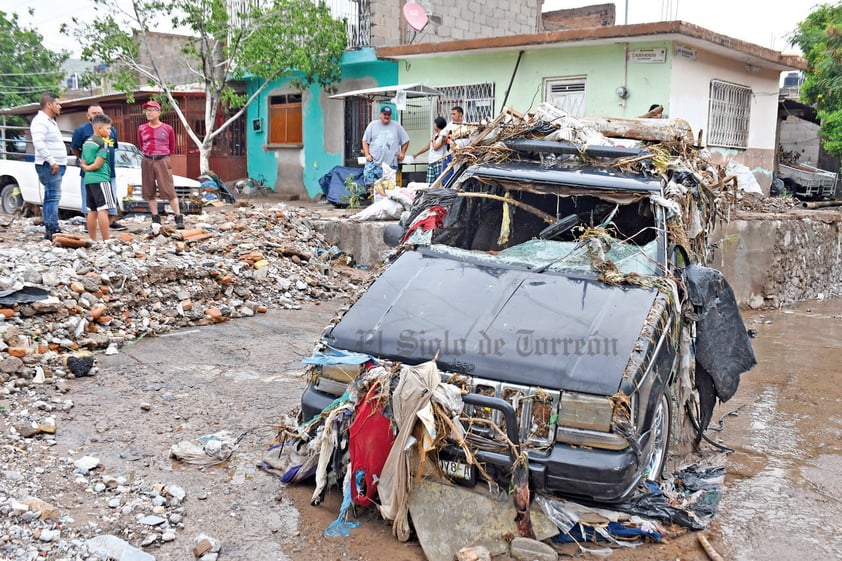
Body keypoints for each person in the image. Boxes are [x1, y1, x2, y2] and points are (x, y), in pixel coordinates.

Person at [71, 105, 126, 231]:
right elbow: (74, 148)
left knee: (110, 199)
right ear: (88, 115)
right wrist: (85, 162)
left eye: (99, 112)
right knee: (90, 202)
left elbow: (113, 147)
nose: (96, 115)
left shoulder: (111, 130)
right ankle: (91, 226)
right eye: (93, 113)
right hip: (91, 173)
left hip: (109, 171)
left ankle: (110, 223)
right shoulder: (82, 131)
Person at [137, 100, 183, 229]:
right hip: (147, 160)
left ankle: (178, 217)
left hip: (162, 159)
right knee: (149, 190)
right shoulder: (141, 128)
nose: (149, 113)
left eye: (152, 110)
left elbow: (172, 146)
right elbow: (141, 144)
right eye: (147, 111)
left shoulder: (167, 128)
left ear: (159, 112)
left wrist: (164, 157)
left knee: (168, 189)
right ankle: (155, 218)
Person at [30, 92, 67, 240]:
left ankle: (51, 227)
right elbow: (39, 143)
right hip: (49, 165)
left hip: (55, 164)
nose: (60, 106)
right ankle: (52, 229)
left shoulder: (50, 121)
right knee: (53, 197)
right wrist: (52, 161)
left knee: (50, 197)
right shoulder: (40, 121)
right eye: (57, 103)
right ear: (49, 104)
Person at [80, 113, 117, 241]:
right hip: (101, 178)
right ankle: (106, 240)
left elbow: (83, 162)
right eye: (108, 128)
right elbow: (97, 164)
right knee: (103, 209)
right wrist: (90, 168)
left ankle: (92, 239)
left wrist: (86, 169)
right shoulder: (102, 144)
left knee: (92, 210)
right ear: (99, 128)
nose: (110, 131)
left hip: (88, 180)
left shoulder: (87, 142)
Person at [361, 105, 409, 190]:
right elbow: (365, 141)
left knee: (389, 186)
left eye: (388, 115)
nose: (386, 116)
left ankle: (384, 197)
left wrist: (402, 153)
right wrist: (367, 154)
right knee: (369, 179)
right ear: (380, 114)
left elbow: (406, 141)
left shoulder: (397, 126)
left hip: (390, 163)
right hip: (374, 162)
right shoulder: (372, 125)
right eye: (385, 114)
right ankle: (376, 193)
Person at [412, 116, 448, 184]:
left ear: (438, 125)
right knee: (429, 183)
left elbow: (435, 148)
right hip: (431, 161)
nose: (434, 126)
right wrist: (417, 154)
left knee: (439, 182)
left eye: (434, 124)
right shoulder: (436, 135)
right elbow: (427, 147)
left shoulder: (443, 136)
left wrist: (434, 139)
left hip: (439, 161)